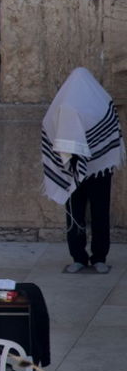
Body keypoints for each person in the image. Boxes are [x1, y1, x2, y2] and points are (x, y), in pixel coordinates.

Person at [42, 67, 121, 274]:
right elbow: (51, 128)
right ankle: (79, 256)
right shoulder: (75, 103)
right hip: (72, 169)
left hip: (99, 168)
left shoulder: (100, 104)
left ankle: (98, 257)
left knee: (96, 212)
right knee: (76, 212)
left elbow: (110, 130)